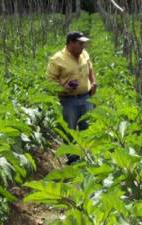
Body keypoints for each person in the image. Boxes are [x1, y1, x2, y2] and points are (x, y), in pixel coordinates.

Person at [46, 31, 97, 163]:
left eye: (83, 44)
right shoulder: (57, 59)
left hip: (86, 97)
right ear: (71, 43)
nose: (83, 46)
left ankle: (90, 157)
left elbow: (90, 69)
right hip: (68, 100)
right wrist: (64, 86)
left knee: (89, 128)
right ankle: (73, 160)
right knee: (70, 130)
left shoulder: (84, 54)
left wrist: (93, 82)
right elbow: (49, 81)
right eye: (80, 44)